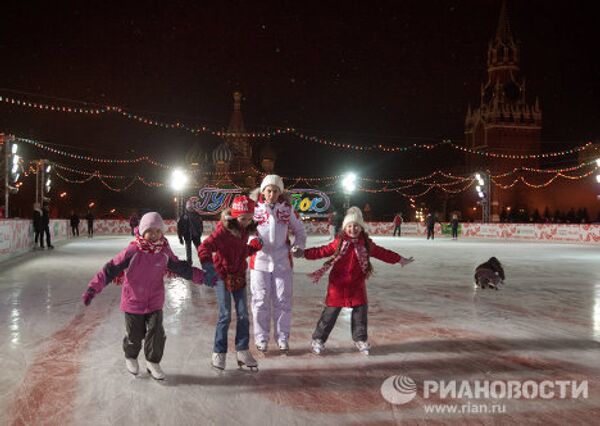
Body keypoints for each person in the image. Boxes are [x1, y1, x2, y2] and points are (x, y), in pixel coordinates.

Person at [82, 212, 206, 380]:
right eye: (150, 231)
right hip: (133, 301)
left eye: (157, 231)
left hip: (155, 300)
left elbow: (180, 268)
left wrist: (203, 277)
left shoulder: (164, 251)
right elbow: (111, 269)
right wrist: (92, 288)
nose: (154, 235)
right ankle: (131, 356)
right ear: (141, 231)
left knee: (156, 333)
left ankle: (153, 362)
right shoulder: (133, 250)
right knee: (135, 335)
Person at [295, 207, 414, 355]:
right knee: (330, 314)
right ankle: (318, 339)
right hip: (337, 286)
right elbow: (322, 251)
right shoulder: (339, 242)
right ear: (345, 227)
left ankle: (360, 339)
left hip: (357, 285)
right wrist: (303, 253)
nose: (353, 229)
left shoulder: (366, 244)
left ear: (361, 228)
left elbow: (382, 253)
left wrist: (399, 259)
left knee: (360, 313)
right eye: (350, 226)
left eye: (356, 226)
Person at [199, 196, 263, 371]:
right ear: (234, 216)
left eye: (250, 218)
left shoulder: (244, 230)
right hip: (222, 276)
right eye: (243, 219)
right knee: (225, 315)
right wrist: (208, 267)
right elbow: (204, 248)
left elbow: (241, 251)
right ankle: (219, 353)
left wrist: (253, 248)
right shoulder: (222, 232)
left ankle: (242, 350)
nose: (246, 222)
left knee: (243, 314)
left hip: (239, 275)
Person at [249, 175, 307, 354]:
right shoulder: (253, 209)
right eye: (269, 190)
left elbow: (300, 231)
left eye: (275, 191)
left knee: (283, 300)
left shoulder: (288, 209)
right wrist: (252, 241)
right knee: (260, 301)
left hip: (282, 261)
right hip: (259, 261)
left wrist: (298, 246)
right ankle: (261, 337)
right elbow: (244, 229)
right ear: (263, 191)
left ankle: (283, 337)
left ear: (280, 192)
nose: (272, 194)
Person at [177, 200, 204, 264]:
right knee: (188, 250)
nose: (190, 209)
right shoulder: (183, 216)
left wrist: (200, 232)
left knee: (200, 250)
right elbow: (179, 227)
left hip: (196, 235)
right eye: (189, 207)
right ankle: (189, 262)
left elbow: (201, 224)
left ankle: (203, 260)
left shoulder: (197, 215)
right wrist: (180, 237)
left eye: (191, 207)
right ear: (187, 207)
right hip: (187, 235)